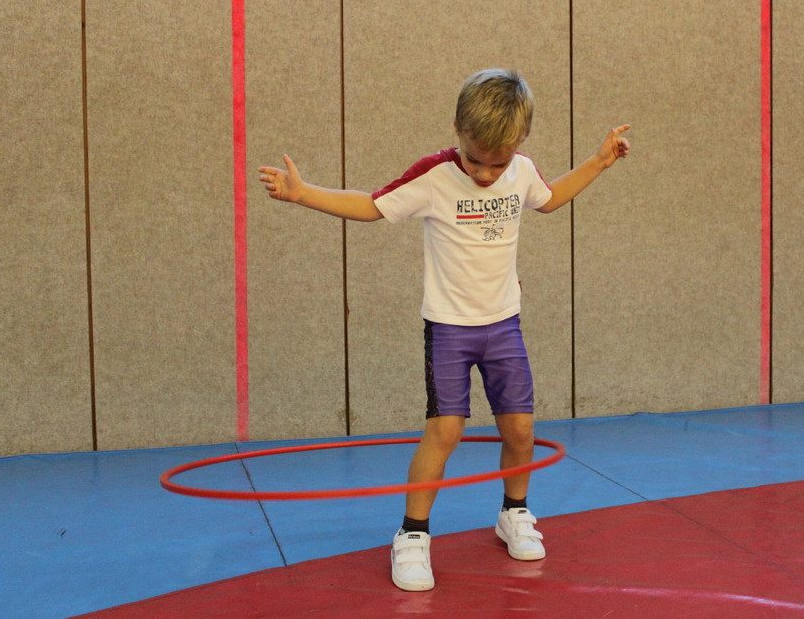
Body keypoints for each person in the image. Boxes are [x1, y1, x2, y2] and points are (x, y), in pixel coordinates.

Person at [258, 69, 630, 592]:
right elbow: (372, 205)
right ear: (457, 130)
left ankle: (514, 512)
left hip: (504, 325)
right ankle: (412, 535)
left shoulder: (521, 171)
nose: (485, 173)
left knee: (520, 429)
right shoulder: (433, 176)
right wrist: (304, 194)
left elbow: (550, 198)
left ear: (520, 141)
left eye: (497, 163)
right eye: (475, 160)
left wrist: (599, 161)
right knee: (446, 431)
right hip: (451, 330)